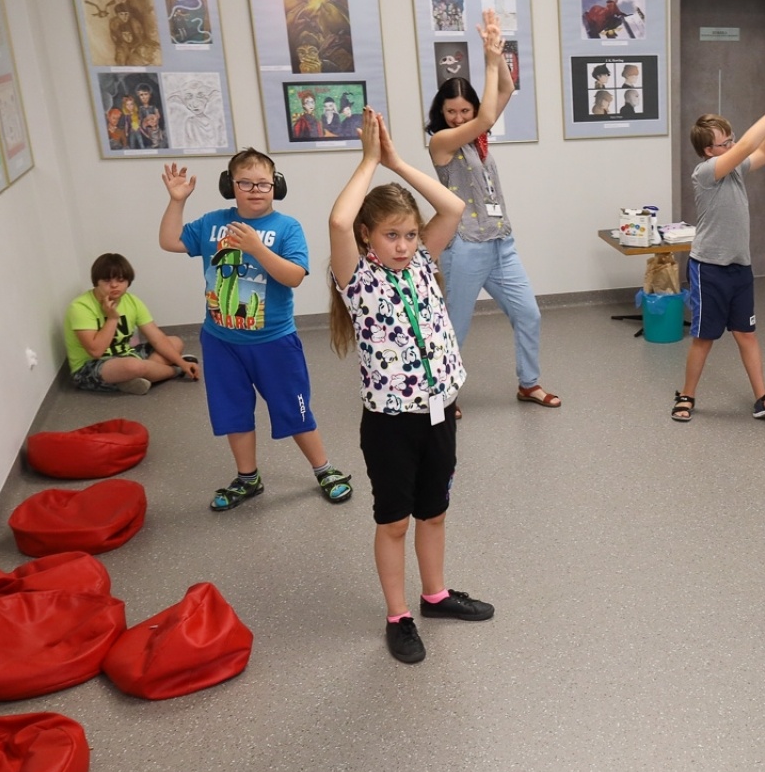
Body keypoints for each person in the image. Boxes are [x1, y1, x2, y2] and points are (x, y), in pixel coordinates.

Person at [327, 108, 495, 665]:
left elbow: (453, 206)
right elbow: (336, 222)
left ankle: (436, 594)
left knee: (435, 512)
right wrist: (370, 162)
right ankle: (398, 614)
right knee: (394, 521)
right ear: (367, 239)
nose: (402, 245)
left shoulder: (424, 259)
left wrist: (399, 161)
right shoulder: (358, 277)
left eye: (408, 234)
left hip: (439, 412)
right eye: (390, 236)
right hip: (390, 424)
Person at [159, 148, 354, 511]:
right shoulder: (212, 222)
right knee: (233, 411)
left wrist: (256, 248)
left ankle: (323, 469)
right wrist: (176, 201)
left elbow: (294, 276)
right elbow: (170, 241)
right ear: (229, 185)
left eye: (263, 183)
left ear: (275, 186)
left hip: (273, 341)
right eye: (244, 182)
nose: (254, 190)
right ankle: (248, 478)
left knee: (294, 409)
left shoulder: (286, 227)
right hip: (220, 341)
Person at [426, 8, 561, 410]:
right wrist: (485, 59)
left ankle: (529, 383)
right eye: (451, 112)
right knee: (455, 328)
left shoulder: (478, 138)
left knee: (529, 315)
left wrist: (496, 52)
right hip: (464, 246)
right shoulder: (441, 142)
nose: (458, 117)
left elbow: (503, 91)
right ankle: (443, 396)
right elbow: (489, 111)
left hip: (501, 241)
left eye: (464, 111)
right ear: (441, 114)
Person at [671, 80, 765, 423]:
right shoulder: (706, 173)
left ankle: (761, 398)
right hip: (708, 268)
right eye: (723, 143)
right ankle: (686, 395)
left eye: (729, 139)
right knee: (704, 338)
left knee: (747, 333)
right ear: (708, 151)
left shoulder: (734, 171)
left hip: (739, 268)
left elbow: (763, 153)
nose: (730, 145)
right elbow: (747, 146)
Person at [64, 252, 201, 395]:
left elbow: (157, 338)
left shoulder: (132, 301)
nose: (114, 285)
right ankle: (170, 372)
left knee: (175, 342)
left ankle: (139, 377)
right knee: (132, 366)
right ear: (96, 282)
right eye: (107, 280)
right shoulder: (80, 307)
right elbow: (96, 351)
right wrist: (112, 319)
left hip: (125, 355)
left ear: (128, 282)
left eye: (121, 280)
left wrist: (182, 362)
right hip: (90, 367)